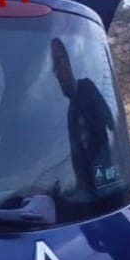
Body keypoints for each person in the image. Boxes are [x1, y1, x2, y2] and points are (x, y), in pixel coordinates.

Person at [51, 37, 119, 193]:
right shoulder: (63, 109)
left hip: (103, 182)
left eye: (60, 61)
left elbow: (112, 123)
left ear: (70, 62)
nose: (57, 72)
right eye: (53, 66)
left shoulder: (88, 87)